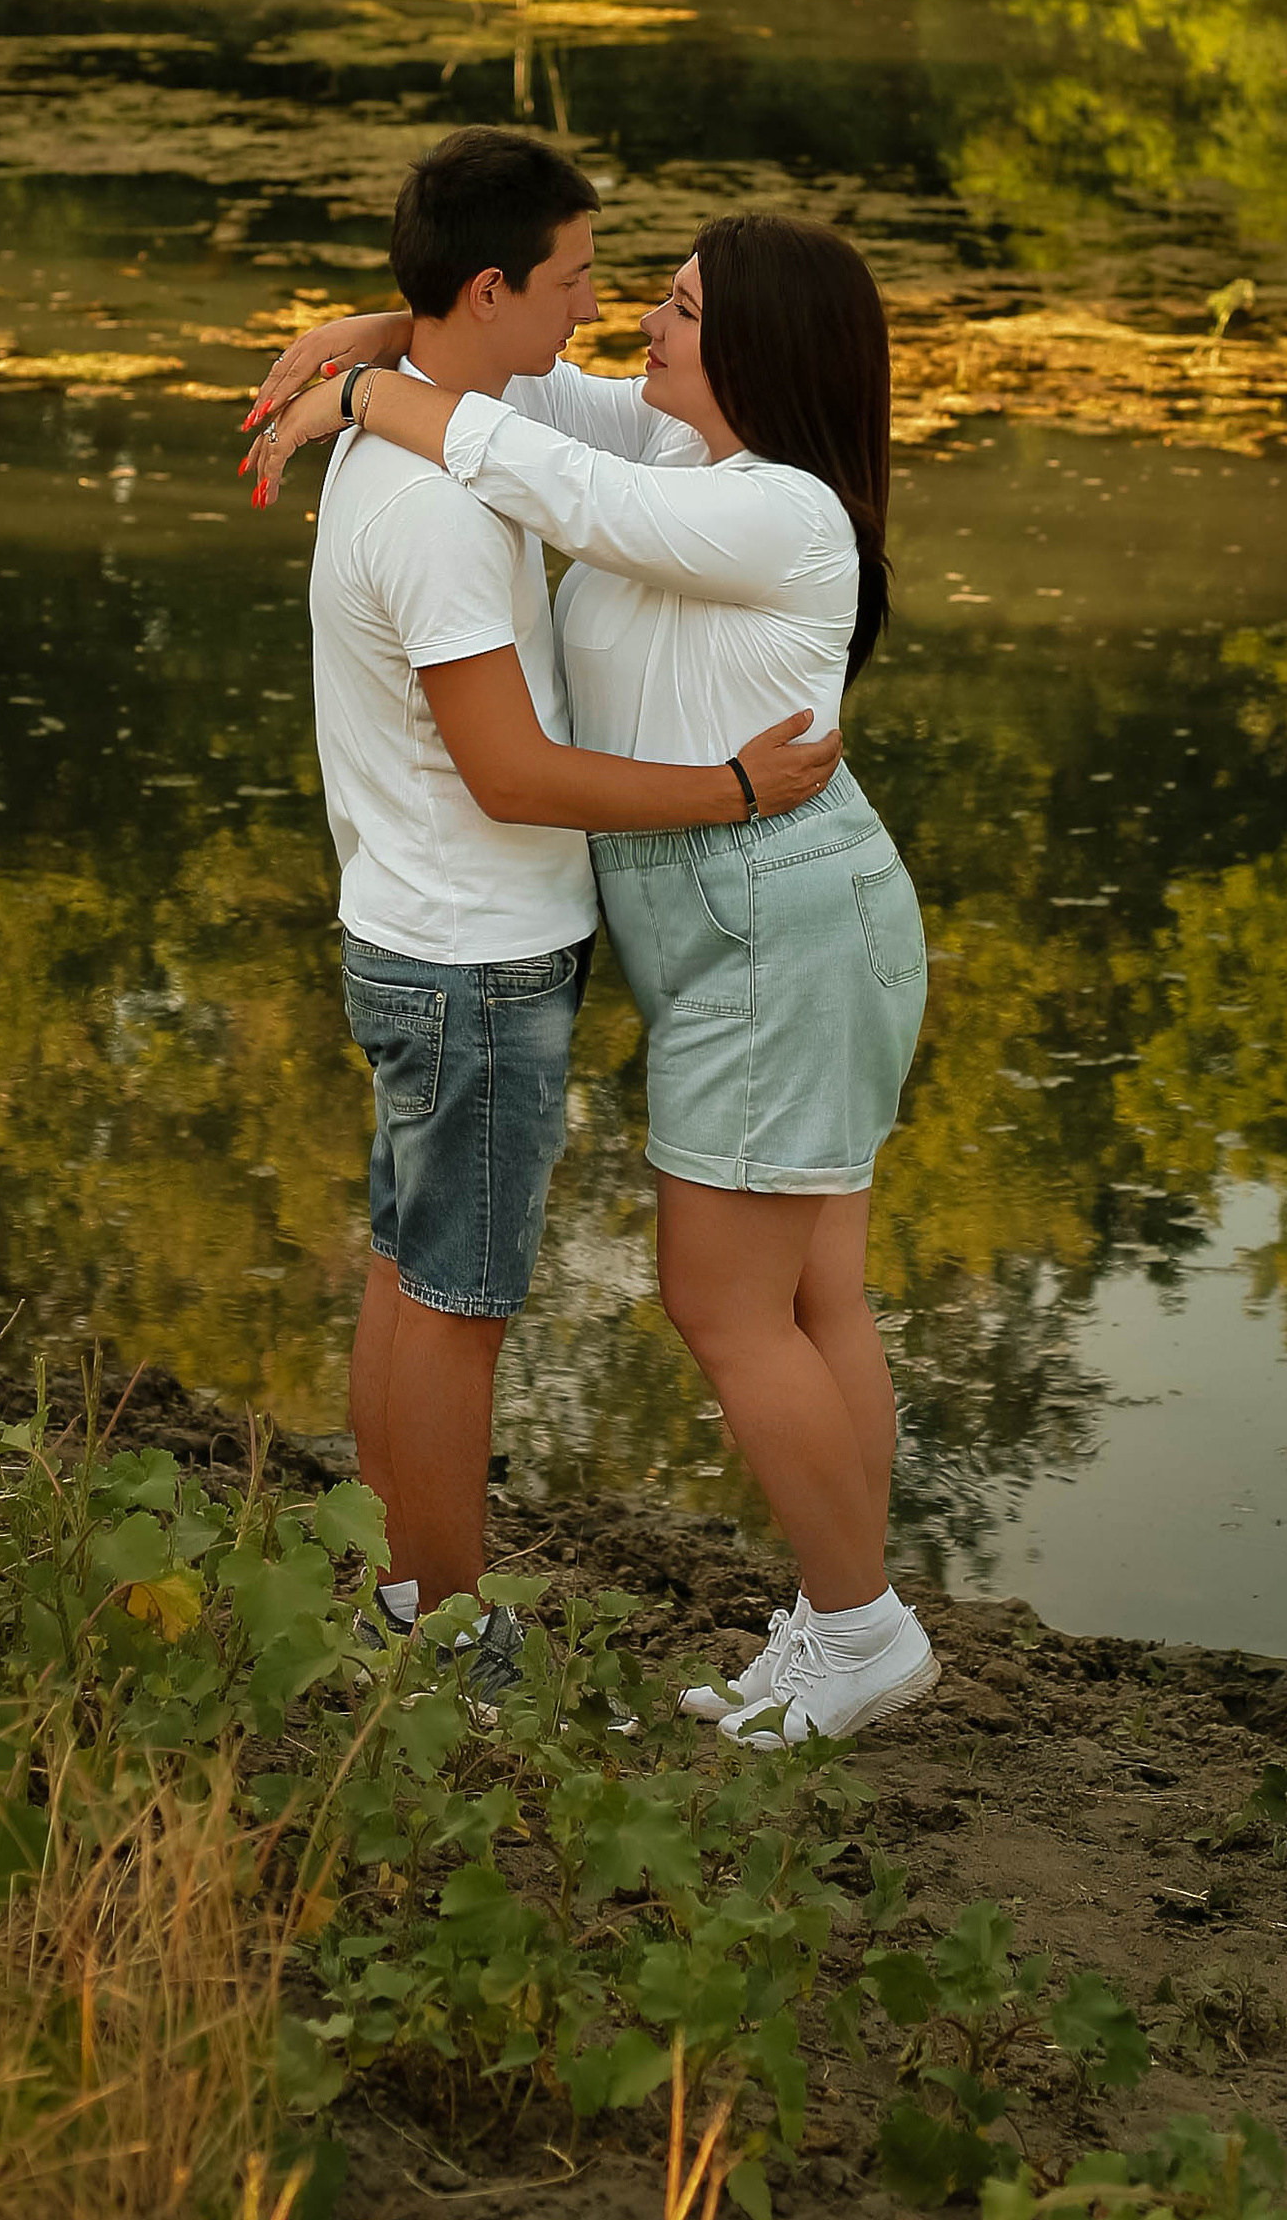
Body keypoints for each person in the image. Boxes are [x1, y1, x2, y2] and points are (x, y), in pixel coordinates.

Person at [249, 208, 937, 1750]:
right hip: (754, 922)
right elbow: (511, 390)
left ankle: (860, 1630)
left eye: (682, 310)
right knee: (817, 1293)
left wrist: (366, 399)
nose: (644, 324)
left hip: (779, 927)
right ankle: (845, 1615)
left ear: (753, 347)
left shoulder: (780, 513)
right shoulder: (682, 453)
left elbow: (534, 470)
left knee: (725, 1301)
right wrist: (385, 337)